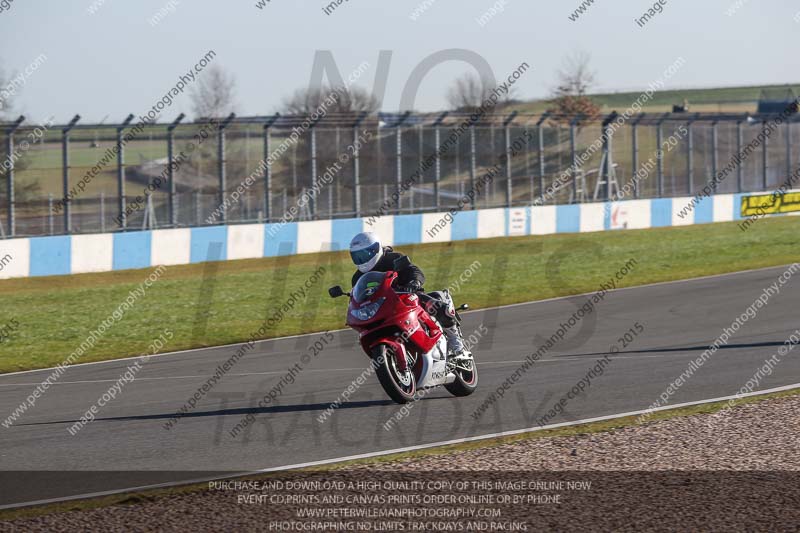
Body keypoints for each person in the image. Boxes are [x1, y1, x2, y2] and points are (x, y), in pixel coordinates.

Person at [349, 231, 466, 356]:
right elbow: (359, 297)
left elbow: (413, 270)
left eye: (365, 254)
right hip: (383, 307)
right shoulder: (357, 278)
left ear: (376, 249)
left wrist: (414, 281)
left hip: (407, 296)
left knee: (434, 303)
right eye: (357, 256)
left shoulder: (393, 259)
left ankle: (455, 341)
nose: (362, 260)